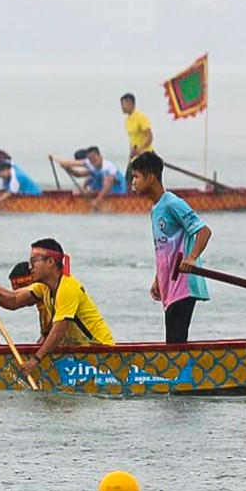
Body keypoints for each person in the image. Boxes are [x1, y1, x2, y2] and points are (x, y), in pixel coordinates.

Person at [0, 237, 114, 380]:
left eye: (34, 261)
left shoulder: (68, 288)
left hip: (102, 352)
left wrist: (34, 361)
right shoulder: (43, 288)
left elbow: (59, 329)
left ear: (50, 262)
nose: (30, 267)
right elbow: (13, 300)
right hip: (78, 353)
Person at [129, 151, 211, 344]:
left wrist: (191, 258)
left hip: (183, 285)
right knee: (172, 344)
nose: (133, 182)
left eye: (136, 177)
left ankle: (182, 373)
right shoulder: (156, 209)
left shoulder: (172, 203)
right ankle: (177, 373)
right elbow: (163, 249)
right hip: (169, 287)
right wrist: (158, 278)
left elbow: (204, 231)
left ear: (150, 177)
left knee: (176, 344)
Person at [58, 146, 126, 208]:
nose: (93, 160)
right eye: (90, 158)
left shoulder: (108, 166)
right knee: (77, 191)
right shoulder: (91, 163)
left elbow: (107, 186)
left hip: (118, 191)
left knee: (107, 179)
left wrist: (97, 201)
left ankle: (96, 200)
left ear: (100, 156)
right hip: (102, 190)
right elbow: (78, 174)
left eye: (94, 157)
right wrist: (67, 168)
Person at [122, 93, 155, 160]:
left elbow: (150, 137)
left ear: (130, 103)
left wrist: (140, 149)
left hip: (145, 154)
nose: (122, 107)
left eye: (123, 104)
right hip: (135, 155)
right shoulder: (127, 120)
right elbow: (132, 139)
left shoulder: (141, 117)